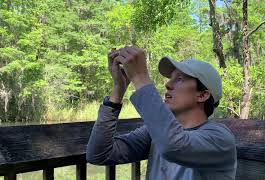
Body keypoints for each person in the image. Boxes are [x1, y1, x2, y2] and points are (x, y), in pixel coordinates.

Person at [86, 46, 237, 180]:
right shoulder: (154, 134)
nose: (168, 84)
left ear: (202, 95)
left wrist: (140, 78)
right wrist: (119, 88)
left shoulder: (220, 138)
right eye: (170, 78)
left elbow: (173, 145)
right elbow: (99, 154)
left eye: (179, 79)